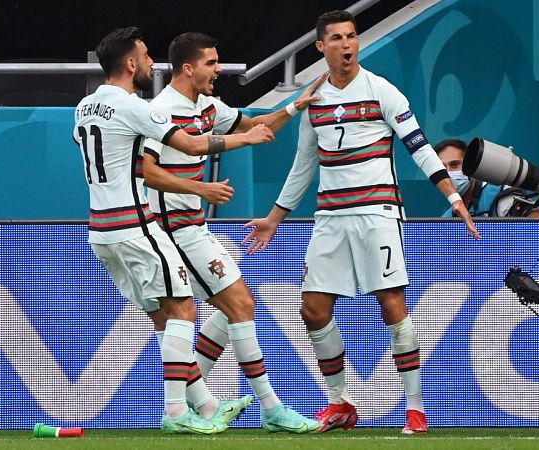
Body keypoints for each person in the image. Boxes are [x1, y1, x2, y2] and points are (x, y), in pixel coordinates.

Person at [241, 10, 480, 434]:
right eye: (337, 38)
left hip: (378, 212)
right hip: (330, 217)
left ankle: (415, 408)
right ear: (321, 47)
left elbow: (420, 147)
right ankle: (341, 404)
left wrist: (454, 196)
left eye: (352, 36)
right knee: (312, 311)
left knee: (391, 306)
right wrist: (275, 218)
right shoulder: (312, 101)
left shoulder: (382, 91)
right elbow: (303, 166)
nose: (347, 45)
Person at [73, 26, 274, 435]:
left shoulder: (84, 107)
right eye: (145, 56)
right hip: (135, 224)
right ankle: (176, 414)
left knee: (165, 317)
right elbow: (192, 146)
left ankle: (207, 406)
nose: (151, 63)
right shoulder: (134, 106)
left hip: (100, 231)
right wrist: (248, 139)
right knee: (184, 309)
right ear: (130, 64)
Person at [141, 32, 326, 433]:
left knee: (227, 312)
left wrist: (295, 106)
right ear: (188, 68)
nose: (218, 69)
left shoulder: (207, 105)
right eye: (211, 63)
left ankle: (199, 402)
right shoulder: (162, 110)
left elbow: (256, 126)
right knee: (239, 305)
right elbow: (148, 172)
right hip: (173, 228)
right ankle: (270, 407)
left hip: (193, 225)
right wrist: (201, 188)